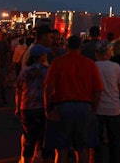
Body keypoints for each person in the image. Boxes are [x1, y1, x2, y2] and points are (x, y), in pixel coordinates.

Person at [44, 35, 104, 163]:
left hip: (62, 106)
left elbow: (48, 88)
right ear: (80, 47)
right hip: (84, 106)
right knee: (82, 148)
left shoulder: (58, 62)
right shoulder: (89, 64)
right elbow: (98, 89)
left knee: (61, 148)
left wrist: (48, 108)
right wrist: (93, 108)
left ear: (66, 47)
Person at [15, 45, 54, 163]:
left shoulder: (25, 71)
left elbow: (19, 90)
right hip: (42, 107)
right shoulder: (46, 70)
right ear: (41, 57)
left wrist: (18, 107)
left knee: (28, 140)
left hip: (26, 108)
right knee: (45, 140)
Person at [94, 40, 120, 163]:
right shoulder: (115, 67)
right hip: (113, 108)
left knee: (97, 140)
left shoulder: (93, 66)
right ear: (108, 52)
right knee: (114, 141)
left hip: (97, 108)